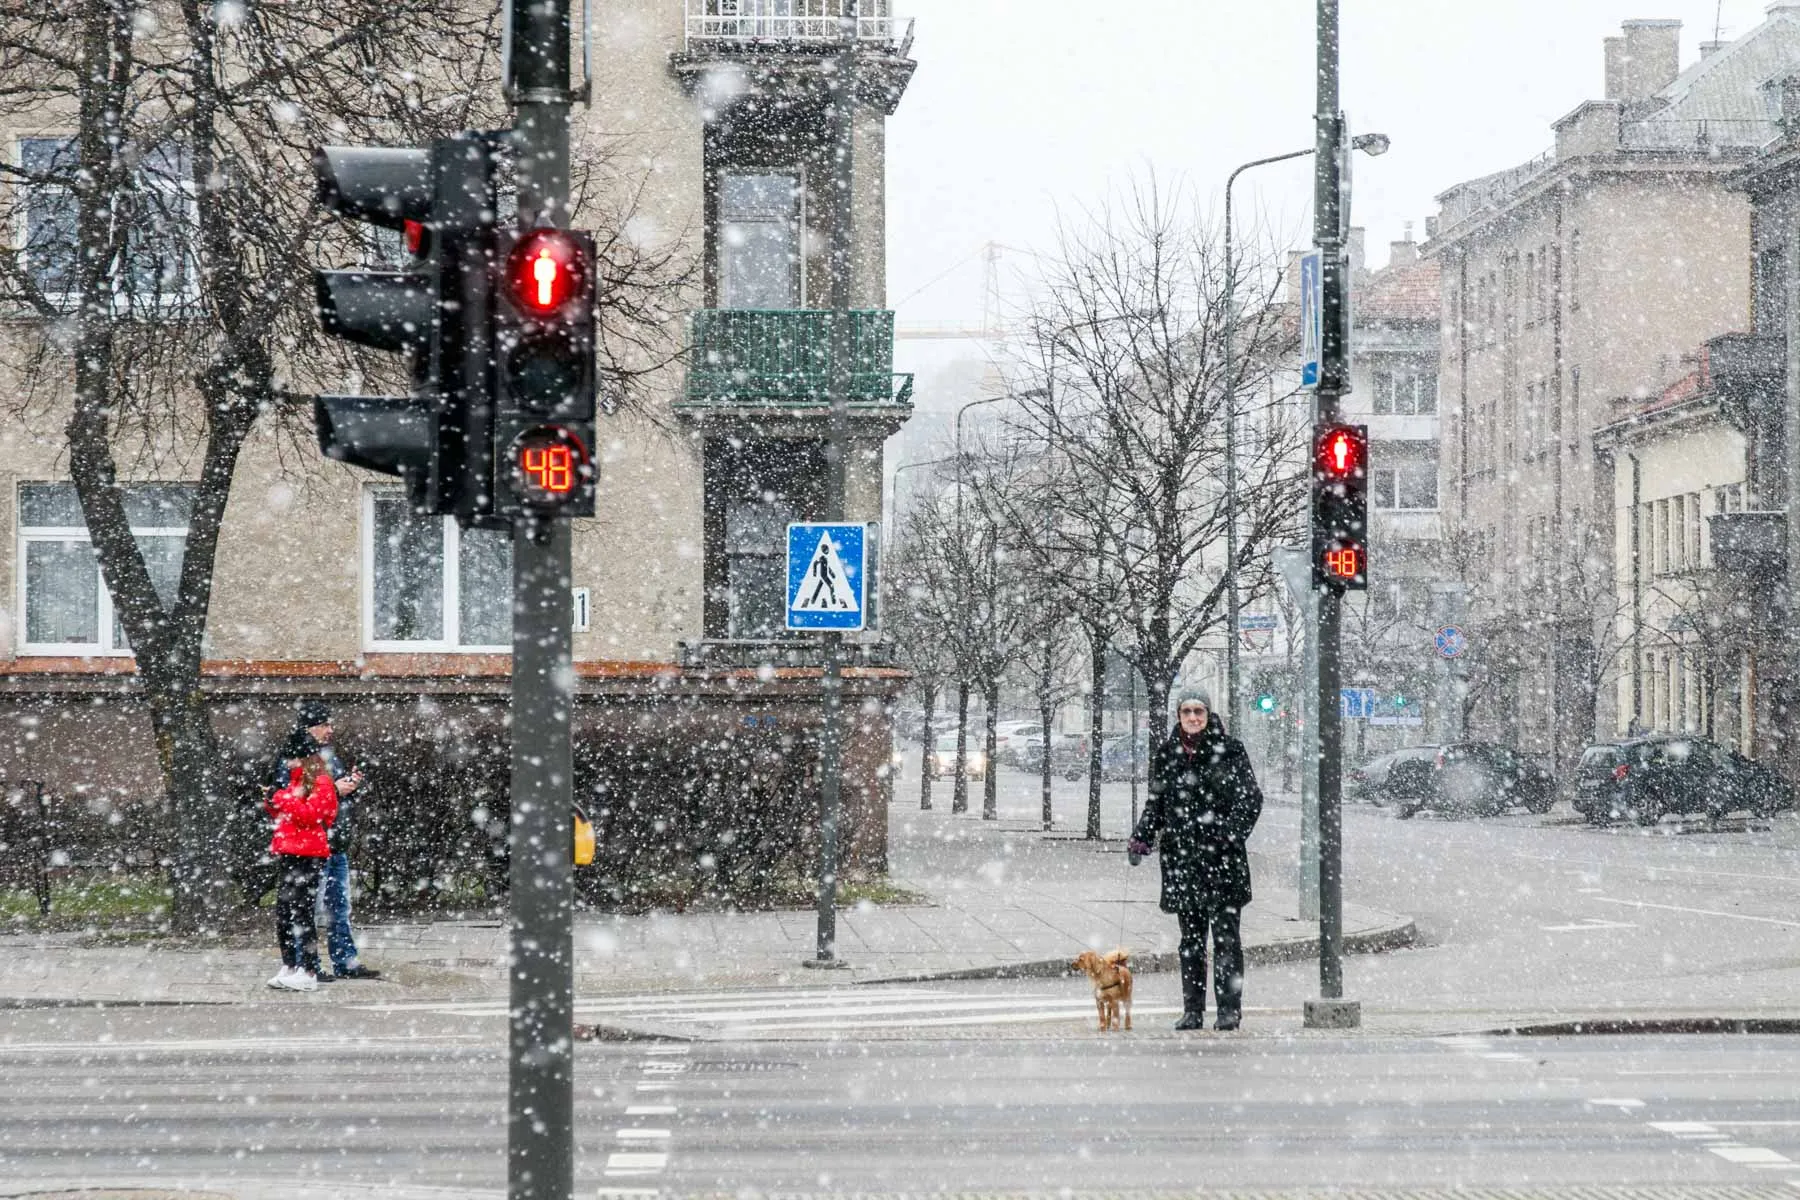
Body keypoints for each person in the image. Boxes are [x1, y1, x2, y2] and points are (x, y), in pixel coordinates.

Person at [1127, 688, 1264, 1032]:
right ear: (1178, 716)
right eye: (1186, 711)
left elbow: (1250, 799)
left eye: (1198, 711)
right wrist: (1141, 837)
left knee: (1226, 940)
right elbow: (1156, 802)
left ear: (1208, 714)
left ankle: (1229, 1011)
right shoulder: (1168, 754)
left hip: (1223, 863)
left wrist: (1227, 834)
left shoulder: (1230, 751)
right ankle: (1193, 1011)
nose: (1192, 717)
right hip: (1183, 861)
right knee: (1190, 941)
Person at [274, 701, 380, 981]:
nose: (330, 730)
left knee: (338, 907)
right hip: (312, 846)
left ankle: (344, 961)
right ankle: (306, 965)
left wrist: (347, 786)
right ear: (311, 728)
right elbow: (297, 797)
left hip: (335, 843)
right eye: (325, 725)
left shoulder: (327, 758)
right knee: (306, 908)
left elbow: (322, 798)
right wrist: (334, 788)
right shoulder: (299, 758)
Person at [266, 754, 339, 992]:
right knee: (285, 912)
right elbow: (283, 815)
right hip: (289, 850)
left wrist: (280, 798)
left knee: (302, 911)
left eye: (291, 757)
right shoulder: (294, 783)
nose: (286, 762)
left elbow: (310, 816)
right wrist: (272, 800)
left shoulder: (321, 782)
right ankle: (290, 964)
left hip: (308, 855)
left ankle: (307, 970)